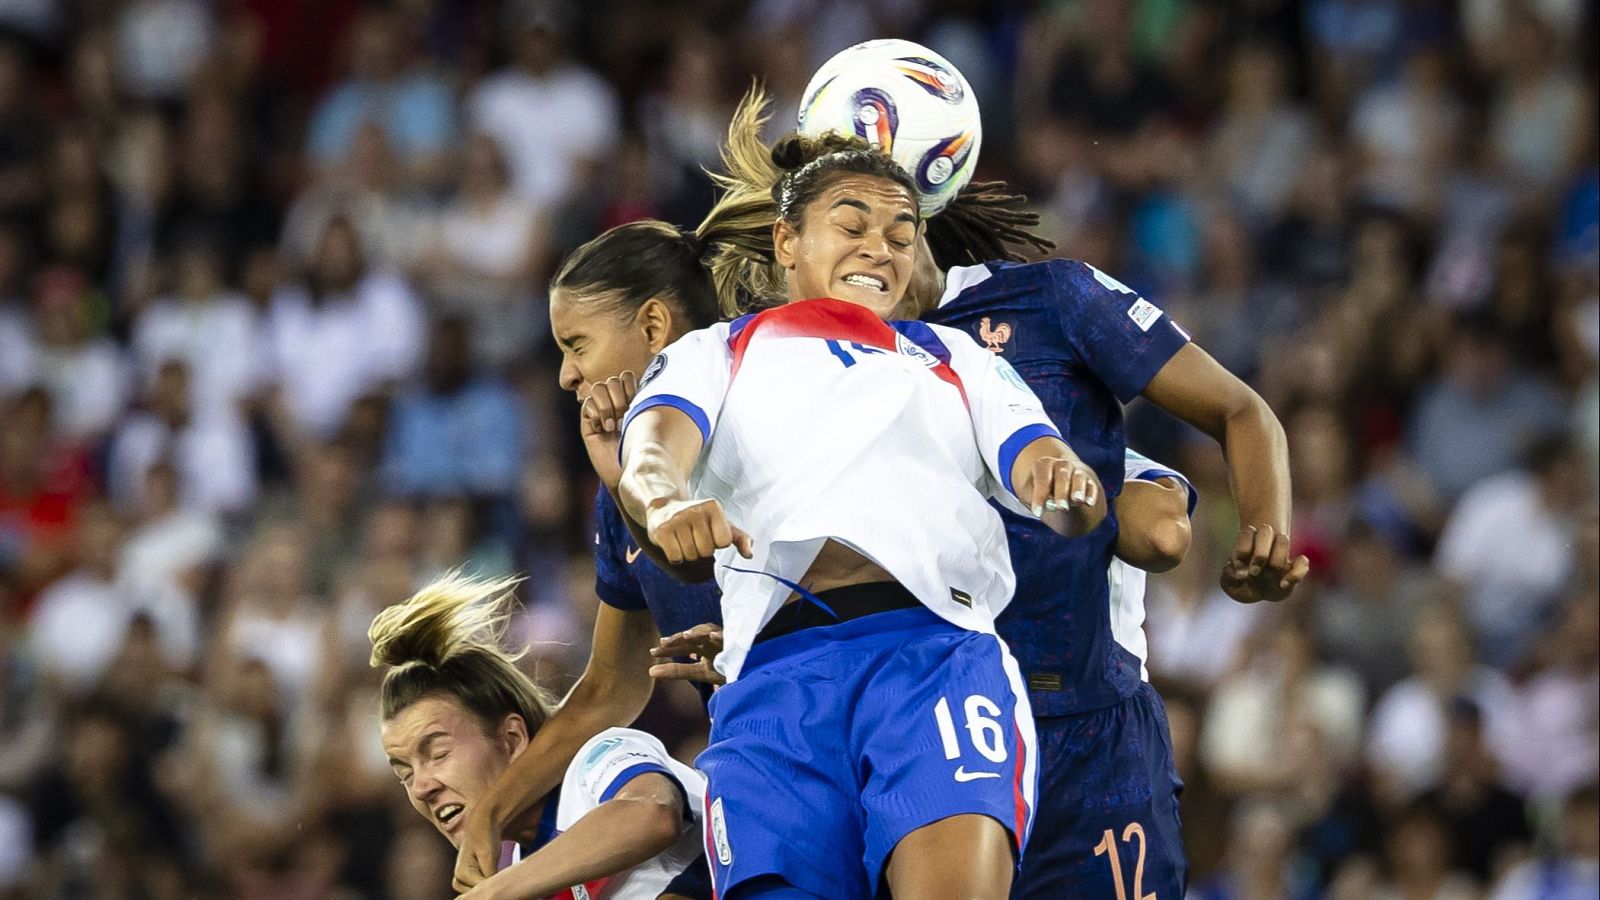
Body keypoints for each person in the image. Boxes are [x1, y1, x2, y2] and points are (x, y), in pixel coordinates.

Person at [685, 89, 1308, 899]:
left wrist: (1259, 524)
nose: (872, 244)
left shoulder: (1048, 303)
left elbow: (1236, 413)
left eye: (892, 223)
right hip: (917, 717)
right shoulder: (780, 359)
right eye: (848, 221)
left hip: (1086, 730)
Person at [618, 145, 1109, 899]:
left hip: (936, 663)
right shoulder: (714, 353)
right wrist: (665, 503)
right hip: (772, 690)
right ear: (787, 242)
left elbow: (1056, 478)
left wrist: (1065, 484)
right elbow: (651, 451)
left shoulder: (960, 359)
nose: (879, 247)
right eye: (852, 225)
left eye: (902, 235)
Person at [368, 571, 709, 900]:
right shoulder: (521, 869)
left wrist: (497, 892)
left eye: (438, 752)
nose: (421, 787)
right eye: (405, 774)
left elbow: (653, 814)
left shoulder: (596, 760)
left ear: (512, 738)